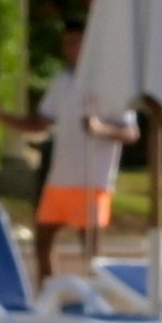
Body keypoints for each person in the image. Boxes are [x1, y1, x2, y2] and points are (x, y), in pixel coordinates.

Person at [34, 104, 123, 284]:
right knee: (42, 242)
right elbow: (40, 123)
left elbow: (131, 132)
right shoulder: (62, 81)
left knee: (92, 252)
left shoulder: (111, 86)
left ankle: (98, 300)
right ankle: (49, 300)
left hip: (92, 181)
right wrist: (1, 116)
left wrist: (100, 128)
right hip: (58, 181)